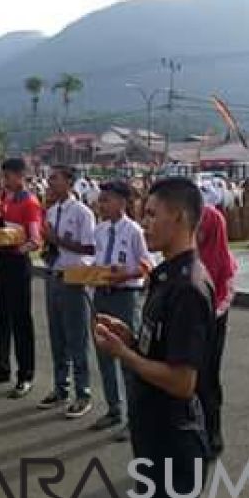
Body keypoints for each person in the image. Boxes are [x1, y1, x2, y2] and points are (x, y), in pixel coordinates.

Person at [94, 177, 216, 498]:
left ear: (179, 217)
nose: (144, 223)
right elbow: (161, 347)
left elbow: (183, 381)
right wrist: (130, 337)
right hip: (155, 433)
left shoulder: (188, 287)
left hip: (173, 438)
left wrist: (123, 354)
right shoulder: (166, 275)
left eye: (151, 214)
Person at [91, 180, 153, 439]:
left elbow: (147, 265)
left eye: (107, 200)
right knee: (104, 353)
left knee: (128, 357)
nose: (101, 204)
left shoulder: (134, 231)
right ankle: (114, 408)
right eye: (101, 199)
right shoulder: (101, 230)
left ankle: (135, 417)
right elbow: (96, 259)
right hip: (101, 294)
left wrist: (124, 275)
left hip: (125, 296)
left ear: (122, 202)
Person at [0, 158, 44, 399]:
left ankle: (25, 375)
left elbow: (35, 240)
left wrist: (18, 247)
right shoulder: (5, 200)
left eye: (7, 177)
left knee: (21, 321)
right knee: (1, 316)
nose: (4, 182)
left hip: (18, 263)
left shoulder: (30, 202)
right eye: (3, 177)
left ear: (20, 176)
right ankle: (2, 367)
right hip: (3, 262)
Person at [40, 165, 97, 418]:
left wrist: (57, 241)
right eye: (50, 178)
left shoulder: (83, 213)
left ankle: (83, 393)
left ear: (70, 182)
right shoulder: (51, 212)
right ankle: (60, 388)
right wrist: (48, 247)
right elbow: (50, 243)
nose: (50, 183)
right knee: (57, 335)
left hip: (74, 279)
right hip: (53, 275)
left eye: (55, 178)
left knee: (77, 338)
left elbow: (89, 249)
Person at [197, 203, 236, 457]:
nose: (197, 232)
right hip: (190, 325)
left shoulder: (223, 260)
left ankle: (213, 434)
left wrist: (208, 314)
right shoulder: (189, 255)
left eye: (201, 227)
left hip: (210, 325)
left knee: (207, 380)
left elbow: (225, 295)